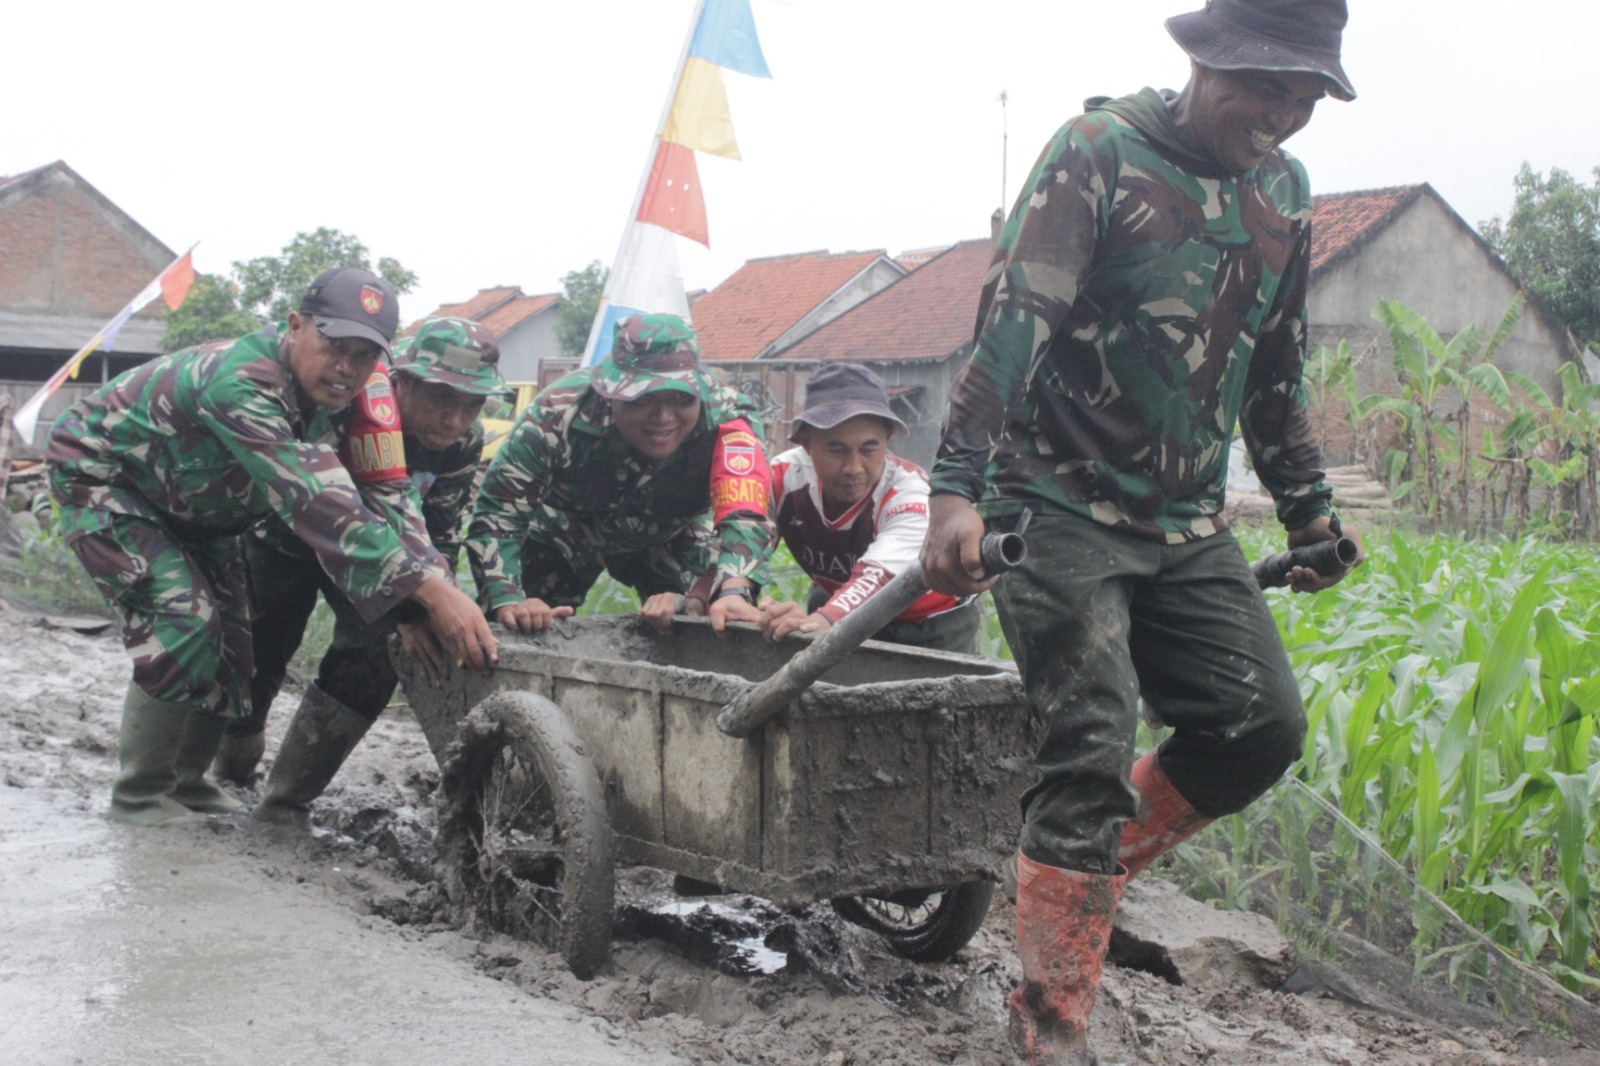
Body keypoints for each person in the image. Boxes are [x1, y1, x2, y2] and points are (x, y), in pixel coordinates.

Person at [918, 2, 1362, 1061]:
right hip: (1056, 502)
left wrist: (1306, 508)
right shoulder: (1099, 152)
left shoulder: (1282, 193)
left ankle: (1083, 875)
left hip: (1184, 519)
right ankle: (1052, 1032)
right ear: (1205, 60)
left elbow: (1275, 370)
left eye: (1303, 98)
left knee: (1259, 726)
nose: (1281, 117)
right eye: (1266, 88)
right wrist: (955, 489)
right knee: (1090, 744)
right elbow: (1013, 323)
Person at [46, 268, 498, 828]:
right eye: (334, 346)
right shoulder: (244, 381)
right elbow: (318, 499)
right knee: (182, 617)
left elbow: (387, 491)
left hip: (201, 508)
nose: (346, 369)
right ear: (295, 327)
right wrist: (429, 592)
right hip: (110, 480)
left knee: (237, 640)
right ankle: (140, 795)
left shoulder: (366, 396)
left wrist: (433, 586)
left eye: (363, 356)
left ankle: (186, 783)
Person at [219, 318, 506, 827]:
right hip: (290, 538)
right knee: (260, 651)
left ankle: (286, 801)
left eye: (471, 405)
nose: (454, 418)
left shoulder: (462, 445)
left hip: (388, 559)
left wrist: (415, 611)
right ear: (402, 382)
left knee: (379, 655)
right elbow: (311, 501)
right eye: (442, 397)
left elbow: (437, 528)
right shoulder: (346, 408)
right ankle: (235, 751)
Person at [466, 313, 776, 635]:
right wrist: (507, 599)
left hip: (670, 536)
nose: (663, 417)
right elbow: (499, 514)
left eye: (682, 398)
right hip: (566, 531)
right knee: (520, 626)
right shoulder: (556, 415)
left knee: (699, 623)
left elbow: (746, 511)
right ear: (611, 393)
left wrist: (732, 590)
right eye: (643, 398)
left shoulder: (729, 419)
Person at [757, 362, 980, 654]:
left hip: (929, 624)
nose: (853, 468)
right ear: (806, 442)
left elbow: (877, 577)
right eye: (836, 449)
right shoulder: (782, 476)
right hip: (833, 601)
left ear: (888, 438)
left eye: (868, 449)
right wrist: (743, 599)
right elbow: (745, 535)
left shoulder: (910, 493)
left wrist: (824, 618)